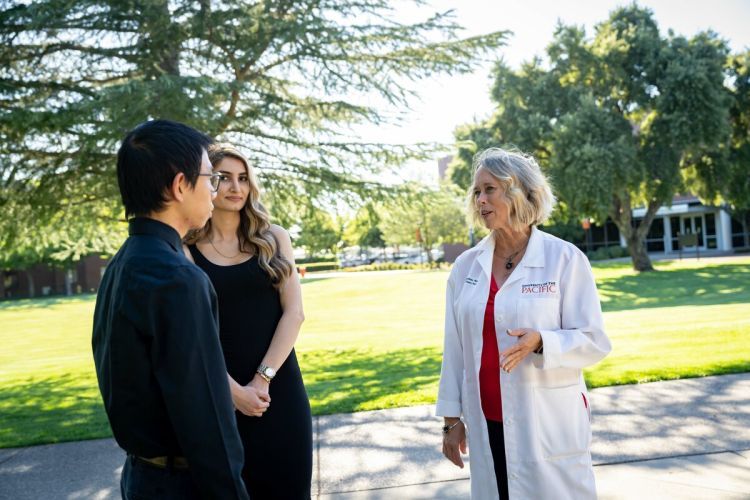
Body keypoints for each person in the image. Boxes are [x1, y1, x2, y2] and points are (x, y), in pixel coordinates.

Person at [436, 147, 612, 499]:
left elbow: (594, 340)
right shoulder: (466, 267)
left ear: (519, 192)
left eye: (490, 189)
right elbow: (454, 350)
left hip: (547, 422)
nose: (480, 200)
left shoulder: (564, 259)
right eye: (476, 192)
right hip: (487, 422)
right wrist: (451, 422)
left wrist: (543, 341)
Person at [92, 120, 249, 500]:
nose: (214, 192)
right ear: (180, 186)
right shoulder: (179, 278)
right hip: (182, 487)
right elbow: (207, 416)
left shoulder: (120, 266)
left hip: (140, 478)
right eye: (211, 178)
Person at [184, 143, 313, 498]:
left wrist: (260, 382)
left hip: (278, 392)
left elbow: (295, 313)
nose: (235, 187)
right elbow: (193, 332)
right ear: (206, 182)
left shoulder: (274, 238)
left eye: (243, 178)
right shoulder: (186, 247)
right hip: (218, 394)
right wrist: (233, 392)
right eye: (223, 178)